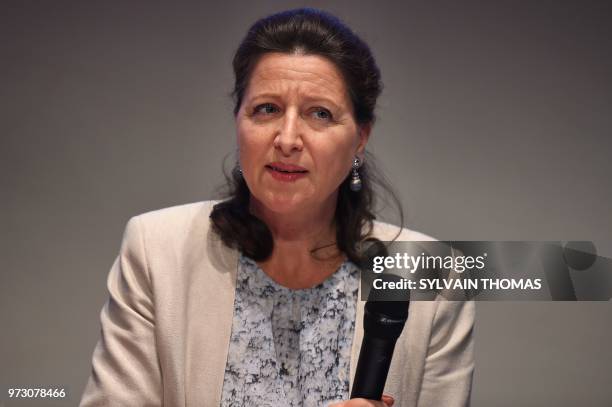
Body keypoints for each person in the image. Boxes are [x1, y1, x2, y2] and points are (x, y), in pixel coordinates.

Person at [80, 7, 474, 407]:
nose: (287, 138)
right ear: (238, 121)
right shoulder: (156, 249)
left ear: (360, 138)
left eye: (319, 114)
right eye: (266, 109)